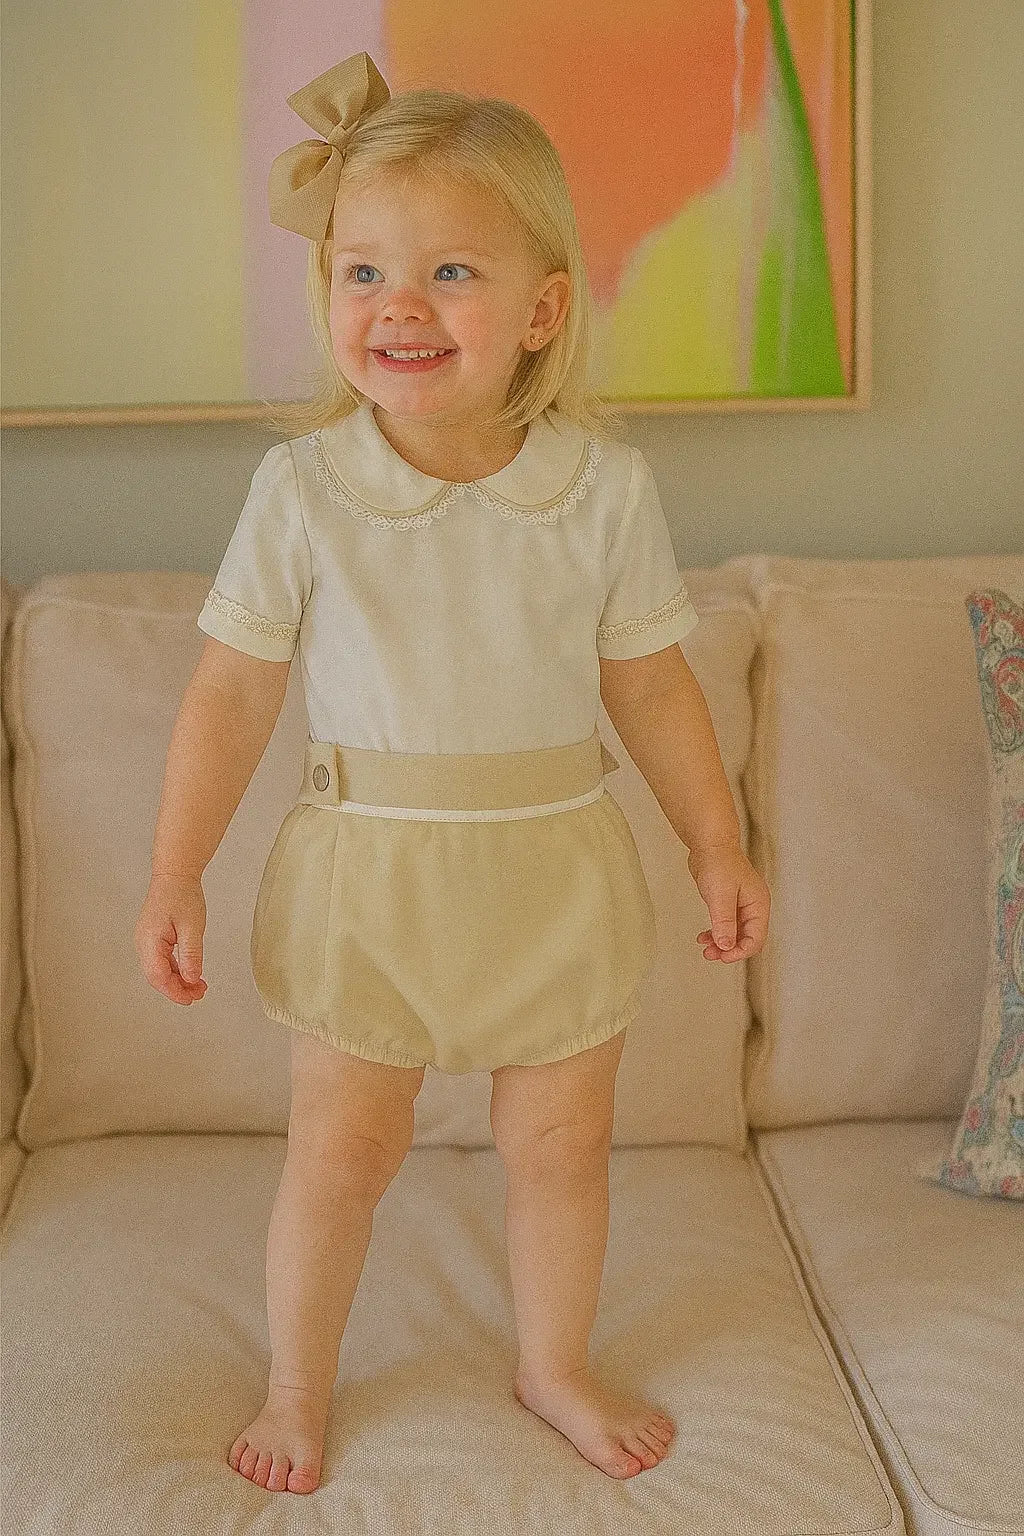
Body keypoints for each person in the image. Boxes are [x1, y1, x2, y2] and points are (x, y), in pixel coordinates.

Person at [134, 52, 771, 1497]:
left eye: (450, 271)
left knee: (560, 1148)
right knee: (340, 1154)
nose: (398, 307)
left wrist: (715, 841)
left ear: (544, 307)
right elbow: (231, 693)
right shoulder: (304, 493)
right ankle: (298, 1386)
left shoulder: (600, 490)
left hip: (553, 868)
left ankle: (552, 1361)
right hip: (372, 879)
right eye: (360, 272)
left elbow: (653, 683)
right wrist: (173, 873)